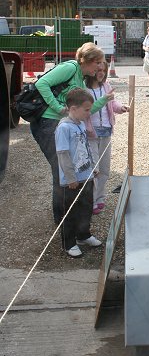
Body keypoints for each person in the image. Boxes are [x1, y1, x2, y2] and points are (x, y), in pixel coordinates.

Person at [30, 42, 114, 225]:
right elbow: (41, 83)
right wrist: (58, 107)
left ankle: (70, 215)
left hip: (60, 123)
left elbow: (84, 110)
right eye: (98, 62)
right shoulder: (70, 68)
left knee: (71, 169)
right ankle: (62, 221)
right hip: (47, 122)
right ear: (88, 60)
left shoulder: (81, 78)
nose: (100, 67)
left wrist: (103, 101)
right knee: (61, 170)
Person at [55, 87, 102, 258]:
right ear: (73, 109)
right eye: (87, 110)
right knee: (71, 212)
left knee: (86, 208)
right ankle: (69, 243)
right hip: (72, 181)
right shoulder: (64, 128)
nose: (89, 113)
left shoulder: (81, 124)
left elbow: (85, 147)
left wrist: (92, 166)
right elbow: (63, 154)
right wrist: (70, 177)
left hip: (86, 176)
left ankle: (83, 235)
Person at [85, 61, 129, 214]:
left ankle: (100, 198)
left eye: (104, 70)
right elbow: (86, 110)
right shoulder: (84, 88)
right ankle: (90, 201)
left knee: (104, 168)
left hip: (106, 131)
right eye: (98, 70)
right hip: (91, 134)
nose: (101, 73)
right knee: (93, 169)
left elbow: (112, 102)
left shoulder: (106, 85)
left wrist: (120, 107)